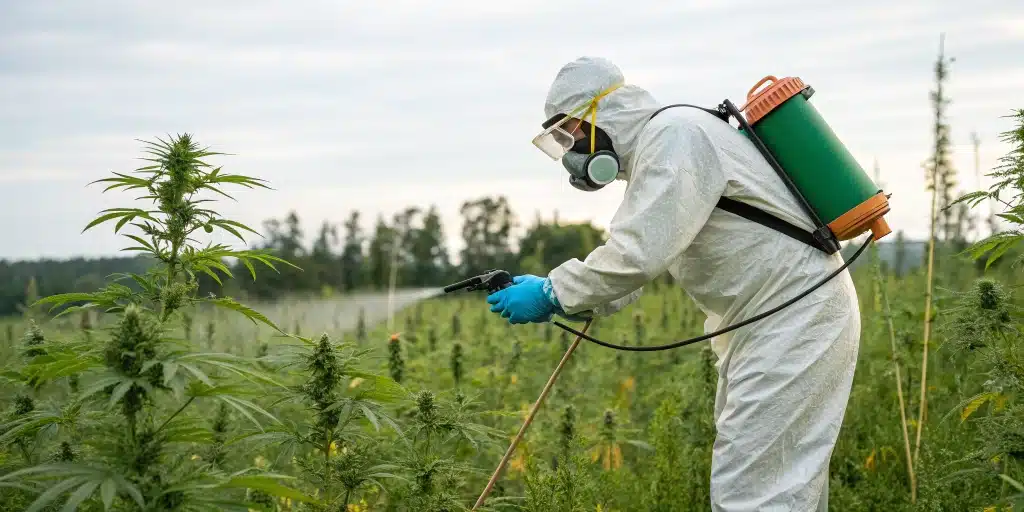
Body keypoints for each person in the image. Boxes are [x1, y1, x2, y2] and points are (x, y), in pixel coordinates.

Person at [485, 56, 861, 511]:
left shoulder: (675, 135)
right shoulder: (658, 154)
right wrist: (557, 292)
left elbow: (636, 255)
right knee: (781, 483)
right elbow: (636, 267)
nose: (571, 153)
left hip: (794, 318)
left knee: (753, 492)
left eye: (571, 134)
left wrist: (552, 293)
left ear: (603, 114)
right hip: (772, 323)